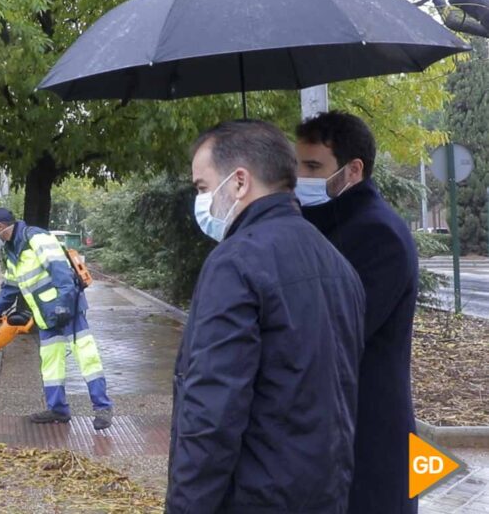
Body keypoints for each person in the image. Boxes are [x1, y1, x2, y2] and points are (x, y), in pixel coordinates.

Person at [168, 120, 365, 513]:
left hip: (253, 497)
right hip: (325, 493)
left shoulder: (234, 264)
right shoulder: (338, 264)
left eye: (203, 188)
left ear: (239, 182)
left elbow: (211, 414)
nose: (202, 201)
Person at [295, 111, 419, 514]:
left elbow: (339, 331)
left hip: (368, 436)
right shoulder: (327, 224)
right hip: (336, 434)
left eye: (313, 166)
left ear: (354, 170)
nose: (302, 177)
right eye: (297, 165)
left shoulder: (377, 234)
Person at [0, 207, 113, 430]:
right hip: (45, 316)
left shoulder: (36, 238)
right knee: (51, 365)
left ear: (0, 226)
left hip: (67, 310)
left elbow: (60, 270)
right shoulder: (12, 251)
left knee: (87, 357)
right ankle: (58, 409)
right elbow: (10, 287)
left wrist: (64, 305)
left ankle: (102, 408)